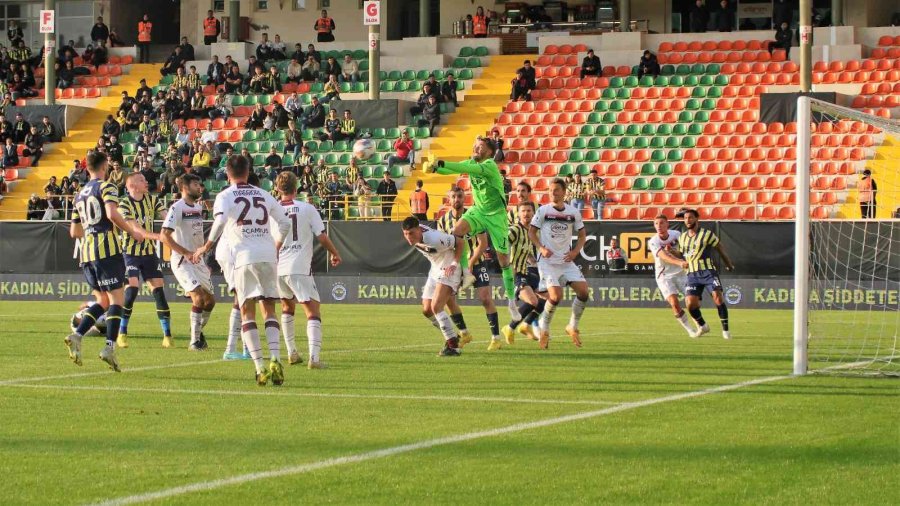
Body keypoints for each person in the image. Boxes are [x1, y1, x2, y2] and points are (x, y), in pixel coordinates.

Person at [193, 156, 292, 385]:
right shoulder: (264, 194)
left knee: (246, 310)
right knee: (269, 309)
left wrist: (207, 246)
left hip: (244, 256)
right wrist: (275, 246)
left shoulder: (225, 195)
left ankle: (259, 367)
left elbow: (219, 223)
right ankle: (275, 358)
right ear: (248, 172)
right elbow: (285, 223)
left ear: (228, 175)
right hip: (267, 254)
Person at [426, 136, 520, 323]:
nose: (476, 149)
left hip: (496, 215)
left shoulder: (490, 166)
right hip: (478, 210)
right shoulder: (472, 161)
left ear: (490, 153)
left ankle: (511, 302)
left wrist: (440, 161)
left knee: (503, 260)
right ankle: (464, 272)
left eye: (480, 147)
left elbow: (464, 168)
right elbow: (453, 170)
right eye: (475, 145)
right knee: (456, 231)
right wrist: (435, 168)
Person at [65, 151, 142, 372]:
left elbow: (74, 231)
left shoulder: (79, 195)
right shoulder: (106, 186)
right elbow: (111, 213)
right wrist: (131, 231)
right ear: (105, 165)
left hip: (87, 253)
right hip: (106, 250)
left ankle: (77, 335)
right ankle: (109, 347)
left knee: (103, 301)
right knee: (117, 299)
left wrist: (91, 231)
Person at [273, 171, 342, 368]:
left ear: (278, 189)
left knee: (287, 308)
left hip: (278, 267)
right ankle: (314, 358)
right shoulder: (306, 208)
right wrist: (335, 253)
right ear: (297, 189)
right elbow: (321, 236)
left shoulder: (273, 210)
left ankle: (292, 352)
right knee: (312, 310)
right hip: (299, 266)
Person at [528, 178, 589, 350]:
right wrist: (541, 248)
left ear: (564, 192)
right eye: (550, 190)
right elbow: (532, 232)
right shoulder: (543, 211)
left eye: (556, 190)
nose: (552, 193)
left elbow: (583, 235)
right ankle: (544, 328)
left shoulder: (573, 212)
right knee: (555, 296)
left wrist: (575, 252)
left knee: (584, 292)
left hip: (566, 261)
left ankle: (572, 326)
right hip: (548, 262)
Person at [439, 186, 501, 349]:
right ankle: (464, 332)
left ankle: (496, 338)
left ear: (464, 198)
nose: (457, 199)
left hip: (477, 262)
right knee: (448, 299)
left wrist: (472, 262)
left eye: (459, 196)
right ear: (449, 199)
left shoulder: (473, 217)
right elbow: (441, 246)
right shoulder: (442, 221)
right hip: (455, 265)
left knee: (485, 298)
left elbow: (483, 243)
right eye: (453, 196)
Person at [115, 172, 172, 348]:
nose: (146, 181)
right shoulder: (124, 204)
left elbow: (167, 217)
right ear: (132, 185)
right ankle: (122, 332)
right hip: (130, 253)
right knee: (132, 289)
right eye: (141, 180)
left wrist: (172, 226)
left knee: (158, 291)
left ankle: (167, 336)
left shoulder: (152, 200)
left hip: (149, 253)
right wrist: (160, 237)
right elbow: (137, 231)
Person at [157, 174, 214, 351]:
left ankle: (195, 330)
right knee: (197, 297)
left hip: (198, 261)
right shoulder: (177, 208)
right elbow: (164, 236)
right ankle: (194, 342)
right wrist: (185, 252)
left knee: (210, 302)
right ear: (185, 187)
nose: (199, 187)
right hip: (182, 260)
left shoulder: (197, 207)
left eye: (199, 184)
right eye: (196, 184)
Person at [402, 216, 466, 356]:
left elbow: (460, 242)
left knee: (436, 307)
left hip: (449, 269)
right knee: (427, 310)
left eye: (411, 233)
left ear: (419, 230)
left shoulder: (435, 239)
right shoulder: (417, 238)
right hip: (435, 268)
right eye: (405, 234)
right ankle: (452, 336)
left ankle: (453, 346)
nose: (408, 237)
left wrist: (454, 264)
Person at [673, 208, 735, 339]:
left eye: (690, 218)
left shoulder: (707, 234)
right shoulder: (683, 237)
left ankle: (726, 331)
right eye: (685, 218)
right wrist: (671, 252)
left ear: (696, 219)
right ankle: (703, 326)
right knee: (690, 303)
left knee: (718, 297)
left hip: (708, 272)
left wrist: (728, 264)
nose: (687, 220)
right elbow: (681, 254)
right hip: (692, 274)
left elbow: (720, 248)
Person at [500, 201, 547, 345]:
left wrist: (533, 260)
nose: (526, 213)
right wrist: (507, 268)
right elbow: (502, 247)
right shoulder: (514, 230)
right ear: (519, 214)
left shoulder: (530, 232)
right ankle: (510, 327)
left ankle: (525, 325)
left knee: (547, 299)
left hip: (527, 271)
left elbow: (524, 250)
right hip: (517, 273)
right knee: (532, 301)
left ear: (533, 214)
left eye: (529, 211)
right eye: (523, 211)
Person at [647, 215, 698, 337]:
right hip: (664, 275)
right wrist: (680, 262)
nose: (659, 226)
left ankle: (699, 324)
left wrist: (679, 254)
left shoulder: (676, 234)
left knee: (692, 301)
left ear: (667, 224)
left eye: (661, 223)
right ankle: (690, 330)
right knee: (674, 303)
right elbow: (663, 256)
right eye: (656, 224)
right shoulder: (653, 241)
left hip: (681, 274)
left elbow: (684, 251)